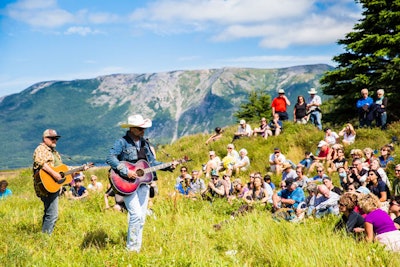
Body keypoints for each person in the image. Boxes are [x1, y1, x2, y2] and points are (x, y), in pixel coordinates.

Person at [106, 114, 177, 253]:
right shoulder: (122, 142)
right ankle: (131, 249)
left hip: (143, 183)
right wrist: (126, 171)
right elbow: (110, 158)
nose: (143, 131)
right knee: (136, 215)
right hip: (126, 183)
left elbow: (152, 163)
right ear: (132, 128)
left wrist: (168, 166)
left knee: (142, 218)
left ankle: (137, 248)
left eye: (143, 128)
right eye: (140, 128)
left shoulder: (145, 143)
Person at [32, 129, 65, 234]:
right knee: (52, 214)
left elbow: (60, 169)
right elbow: (40, 162)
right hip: (45, 185)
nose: (55, 140)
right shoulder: (41, 149)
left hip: (53, 185)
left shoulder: (54, 152)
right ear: (45, 138)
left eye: (56, 138)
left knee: (48, 212)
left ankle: (44, 235)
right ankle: (46, 238)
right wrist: (54, 174)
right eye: (52, 138)